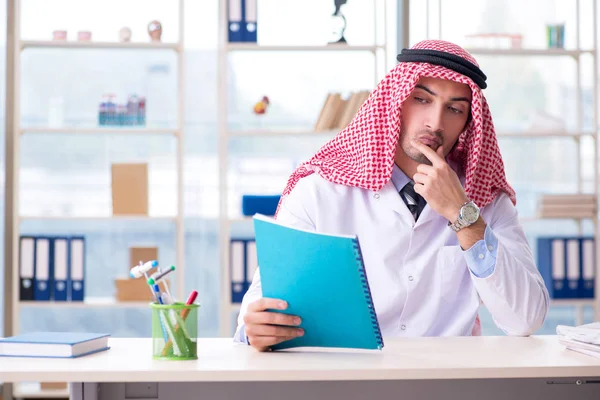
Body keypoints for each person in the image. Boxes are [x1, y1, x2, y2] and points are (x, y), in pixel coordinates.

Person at [233, 39, 550, 352]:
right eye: (422, 100)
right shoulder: (320, 191)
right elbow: (258, 312)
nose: (435, 122)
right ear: (395, 101)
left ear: (468, 123)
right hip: (345, 381)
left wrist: (462, 214)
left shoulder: (486, 200)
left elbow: (525, 319)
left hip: (447, 384)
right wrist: (258, 329)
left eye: (454, 109)